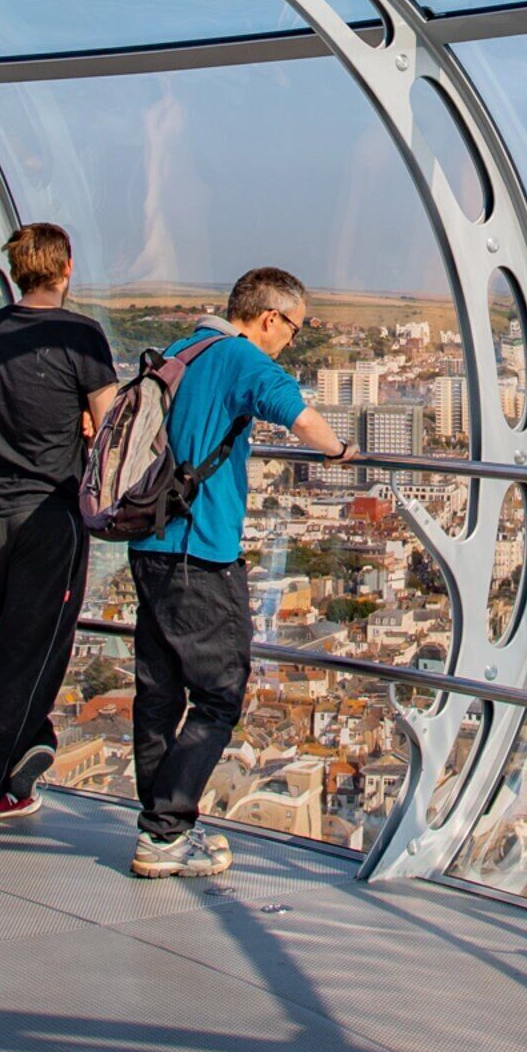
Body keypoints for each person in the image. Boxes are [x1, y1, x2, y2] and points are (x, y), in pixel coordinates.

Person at [123, 266, 348, 880]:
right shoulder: (242, 358)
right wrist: (340, 451)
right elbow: (299, 416)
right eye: (293, 329)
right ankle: (165, 832)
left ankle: (159, 828)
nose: (291, 342)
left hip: (147, 542)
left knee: (158, 693)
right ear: (270, 317)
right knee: (219, 695)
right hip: (201, 551)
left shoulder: (182, 349)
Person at [0, 224, 118, 826]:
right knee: (32, 651)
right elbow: (111, 426)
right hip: (51, 510)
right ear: (66, 267)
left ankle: (25, 748)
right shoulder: (80, 334)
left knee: (15, 644)